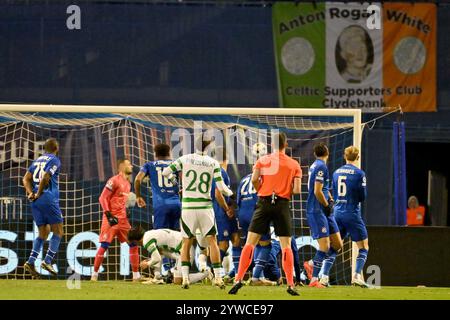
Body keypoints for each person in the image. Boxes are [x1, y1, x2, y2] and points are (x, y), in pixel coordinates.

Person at [228, 132, 302, 296]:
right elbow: (296, 190)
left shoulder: (262, 161)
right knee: (286, 246)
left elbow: (255, 179)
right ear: (286, 144)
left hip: (263, 203)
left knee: (250, 243)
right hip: (282, 204)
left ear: (272, 145)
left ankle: (238, 279)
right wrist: (284, 192)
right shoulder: (294, 164)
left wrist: (261, 190)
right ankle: (290, 284)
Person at [162, 136, 233, 289]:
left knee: (186, 242)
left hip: (188, 207)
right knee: (212, 241)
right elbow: (222, 189)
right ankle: (219, 278)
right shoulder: (213, 163)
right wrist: (231, 194)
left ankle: (186, 278)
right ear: (207, 147)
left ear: (194, 145)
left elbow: (166, 172)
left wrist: (177, 184)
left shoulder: (184, 159)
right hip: (205, 207)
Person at [91, 159, 141, 282]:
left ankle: (136, 276)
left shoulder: (128, 184)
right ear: (122, 166)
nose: (131, 166)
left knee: (133, 243)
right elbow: (102, 197)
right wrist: (108, 214)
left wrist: (126, 210)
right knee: (104, 245)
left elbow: (120, 200)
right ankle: (94, 275)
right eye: (129, 164)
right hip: (111, 219)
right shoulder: (113, 180)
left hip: (123, 220)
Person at [232, 144, 275, 286]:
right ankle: (256, 277)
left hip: (242, 214)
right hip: (255, 212)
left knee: (251, 243)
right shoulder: (264, 178)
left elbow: (238, 200)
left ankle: (238, 275)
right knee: (266, 244)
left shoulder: (244, 179)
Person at [23, 138, 64, 277]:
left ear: (44, 148)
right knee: (58, 231)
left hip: (35, 202)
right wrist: (39, 193)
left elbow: (25, 178)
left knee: (43, 232)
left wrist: (31, 193)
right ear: (56, 148)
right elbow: (46, 177)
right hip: (47, 198)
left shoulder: (37, 161)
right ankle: (47, 260)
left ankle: (30, 261)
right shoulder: (55, 160)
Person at [304, 143, 343, 288]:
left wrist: (330, 197)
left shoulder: (316, 165)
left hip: (325, 210)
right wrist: (326, 205)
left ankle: (311, 263)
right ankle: (314, 279)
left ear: (315, 153)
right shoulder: (321, 166)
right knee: (325, 245)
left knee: (338, 244)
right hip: (317, 210)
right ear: (328, 152)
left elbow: (323, 188)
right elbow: (317, 191)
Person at [332, 146, 369, 287]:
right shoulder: (360, 174)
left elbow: (335, 193)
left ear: (344, 156)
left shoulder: (336, 172)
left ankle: (322, 276)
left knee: (336, 246)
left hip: (337, 212)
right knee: (364, 246)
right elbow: (362, 196)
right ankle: (356, 276)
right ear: (358, 157)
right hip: (351, 213)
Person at [127, 226, 210, 285]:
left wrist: (147, 264)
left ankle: (206, 273)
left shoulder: (146, 241)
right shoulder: (148, 234)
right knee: (157, 252)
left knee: (178, 281)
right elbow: (158, 255)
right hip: (180, 250)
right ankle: (157, 278)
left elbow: (157, 258)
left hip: (185, 251)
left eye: (133, 243)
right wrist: (150, 261)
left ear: (135, 240)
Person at [135, 143, 181, 231]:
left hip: (160, 205)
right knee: (176, 235)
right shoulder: (176, 164)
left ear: (155, 154)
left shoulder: (149, 165)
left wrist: (138, 196)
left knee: (160, 235)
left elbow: (137, 179)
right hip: (176, 204)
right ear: (169, 153)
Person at [211, 147, 240, 277]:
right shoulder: (220, 172)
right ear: (226, 158)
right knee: (223, 243)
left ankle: (237, 273)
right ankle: (211, 273)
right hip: (220, 211)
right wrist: (226, 208)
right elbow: (218, 194)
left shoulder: (218, 171)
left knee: (236, 239)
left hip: (224, 210)